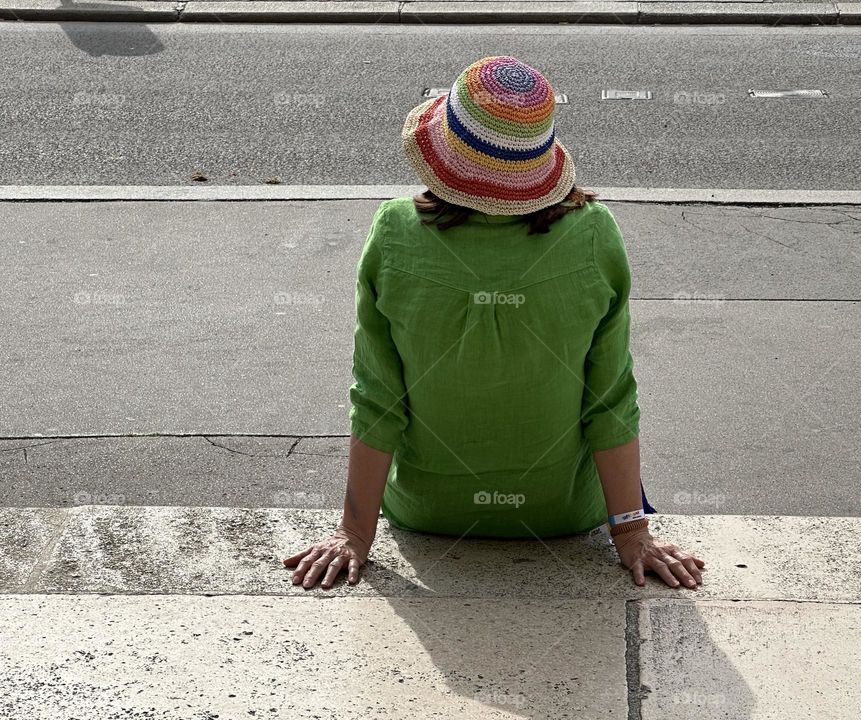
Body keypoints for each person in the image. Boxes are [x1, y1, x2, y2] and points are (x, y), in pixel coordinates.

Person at [283, 56, 705, 591]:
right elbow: (610, 400)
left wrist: (353, 536)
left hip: (429, 511)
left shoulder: (393, 231)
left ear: (442, 156)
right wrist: (632, 535)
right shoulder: (595, 233)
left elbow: (377, 398)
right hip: (563, 513)